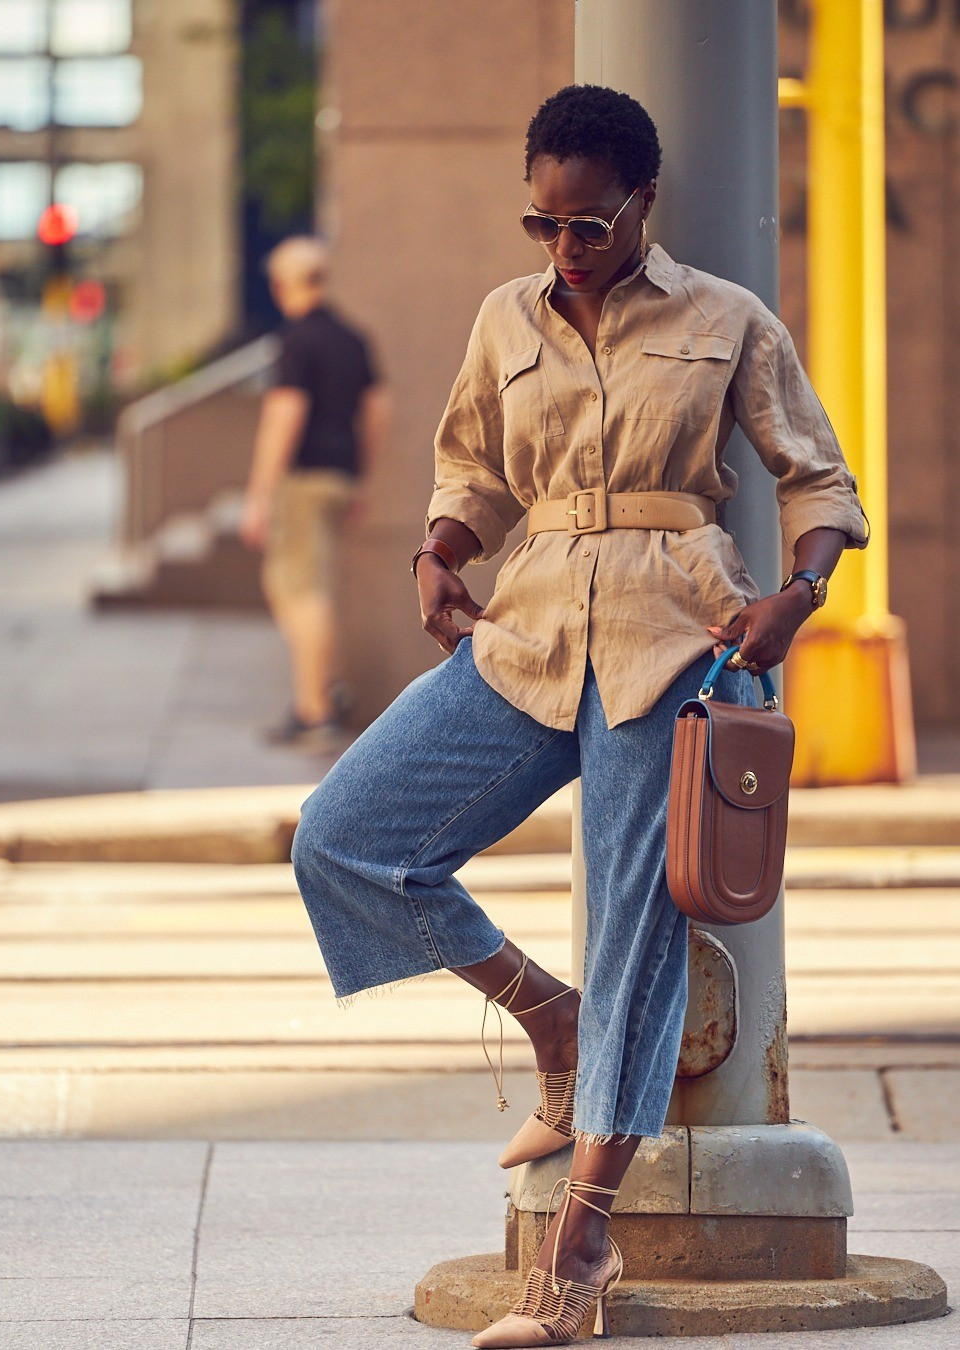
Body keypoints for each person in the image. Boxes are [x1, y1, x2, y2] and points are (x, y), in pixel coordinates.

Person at [291, 85, 868, 1347]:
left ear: (641, 202)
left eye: (588, 223)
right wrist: (442, 550)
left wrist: (799, 599)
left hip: (677, 644)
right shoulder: (507, 317)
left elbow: (815, 475)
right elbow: (474, 469)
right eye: (542, 223)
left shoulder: (729, 320)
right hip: (528, 632)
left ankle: (581, 1252)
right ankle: (544, 1016)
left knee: (636, 938)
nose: (563, 246)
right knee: (342, 835)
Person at [240, 235, 389, 749]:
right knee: (311, 587)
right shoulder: (353, 338)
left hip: (303, 480)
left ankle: (315, 708)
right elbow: (377, 412)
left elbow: (284, 415)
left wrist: (259, 494)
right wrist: (361, 476)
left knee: (300, 591)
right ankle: (323, 695)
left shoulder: (297, 339)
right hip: (340, 477)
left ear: (284, 285)